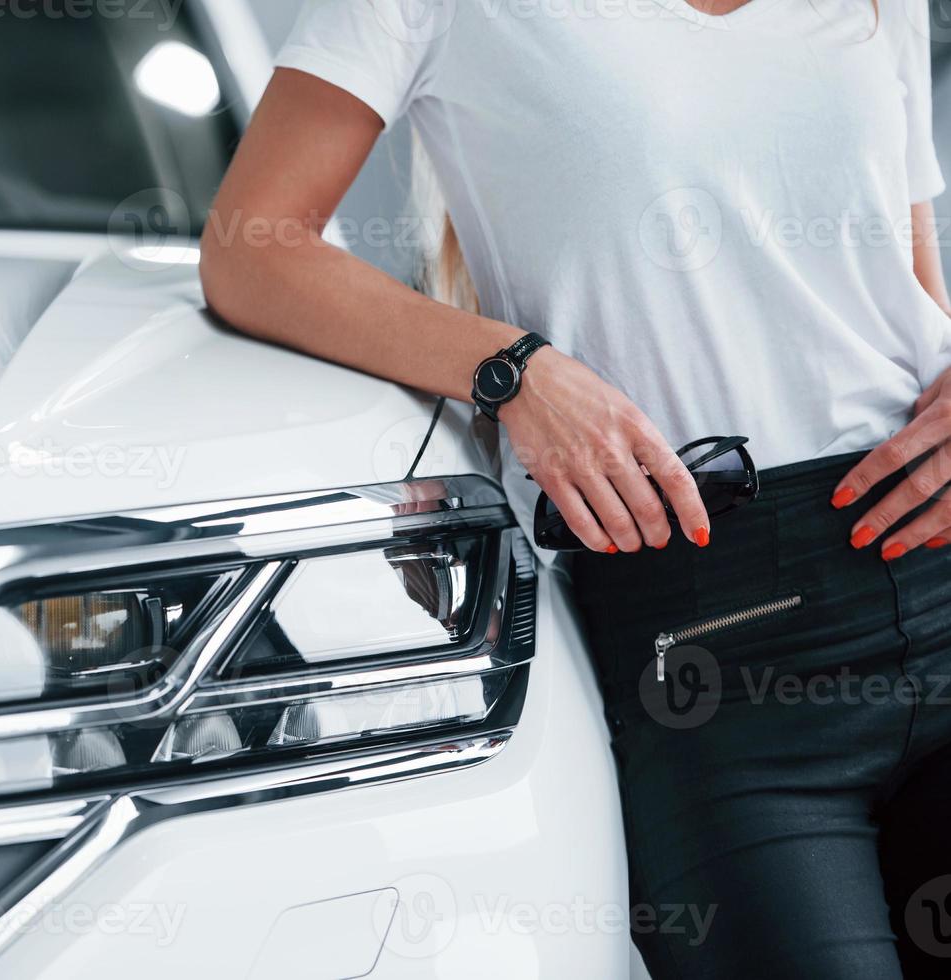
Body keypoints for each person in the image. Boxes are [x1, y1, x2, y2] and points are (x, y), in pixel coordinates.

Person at [198, 1, 951, 976]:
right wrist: (508, 367)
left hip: (930, 563)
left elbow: (907, 292)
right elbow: (251, 249)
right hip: (706, 650)